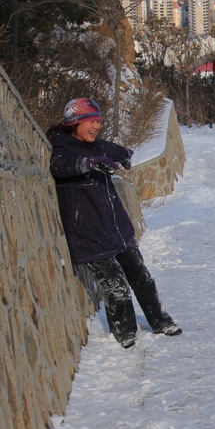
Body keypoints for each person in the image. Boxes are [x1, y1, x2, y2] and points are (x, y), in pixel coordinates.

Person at [47, 97, 181, 349]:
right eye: (90, 122)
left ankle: (160, 321)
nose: (96, 126)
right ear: (74, 123)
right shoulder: (63, 149)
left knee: (143, 278)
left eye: (98, 121)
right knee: (117, 285)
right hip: (89, 236)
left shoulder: (95, 145)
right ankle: (125, 331)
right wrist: (89, 163)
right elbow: (60, 167)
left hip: (117, 230)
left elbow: (113, 150)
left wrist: (125, 156)